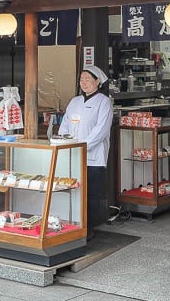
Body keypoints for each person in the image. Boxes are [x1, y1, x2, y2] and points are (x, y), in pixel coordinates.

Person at [58, 65, 114, 237]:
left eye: (88, 80)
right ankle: (74, 224)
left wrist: (83, 146)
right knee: (74, 190)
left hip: (93, 157)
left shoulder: (104, 102)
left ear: (97, 81)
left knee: (91, 193)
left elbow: (101, 130)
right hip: (73, 154)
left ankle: (89, 227)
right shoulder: (74, 101)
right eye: (82, 80)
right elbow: (65, 123)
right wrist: (64, 140)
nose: (84, 83)